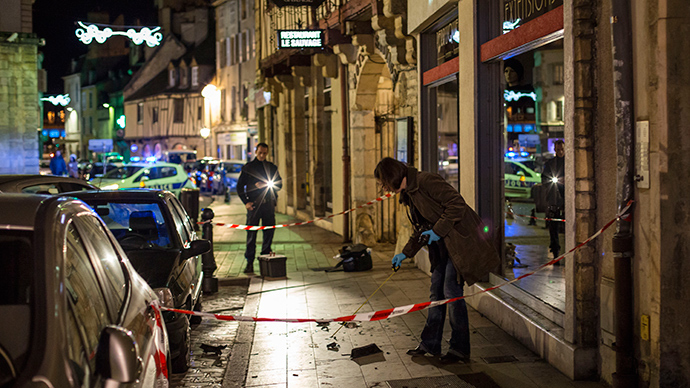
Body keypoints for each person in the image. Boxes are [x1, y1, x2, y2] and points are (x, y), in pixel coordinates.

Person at [375, 157, 500, 363]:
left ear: (392, 176)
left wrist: (438, 230)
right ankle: (430, 343)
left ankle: (460, 349)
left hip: (459, 242)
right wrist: (405, 253)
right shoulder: (410, 194)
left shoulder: (426, 181)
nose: (384, 187)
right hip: (442, 247)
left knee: (451, 291)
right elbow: (421, 230)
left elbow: (457, 204)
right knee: (436, 292)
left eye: (383, 182)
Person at [237, 143, 283, 273]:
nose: (262, 155)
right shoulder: (248, 168)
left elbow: (279, 184)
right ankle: (249, 262)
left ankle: (265, 260)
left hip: (268, 204)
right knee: (251, 234)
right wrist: (246, 202)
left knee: (268, 233)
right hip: (254, 205)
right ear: (256, 152)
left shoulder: (271, 167)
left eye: (264, 153)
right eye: (260, 153)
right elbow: (240, 187)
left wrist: (270, 185)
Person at [541, 140, 565, 261]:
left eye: (562, 149)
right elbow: (544, 179)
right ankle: (555, 249)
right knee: (553, 226)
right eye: (558, 149)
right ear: (555, 150)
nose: (560, 152)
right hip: (554, 199)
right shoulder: (550, 164)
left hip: (566, 198)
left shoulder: (568, 162)